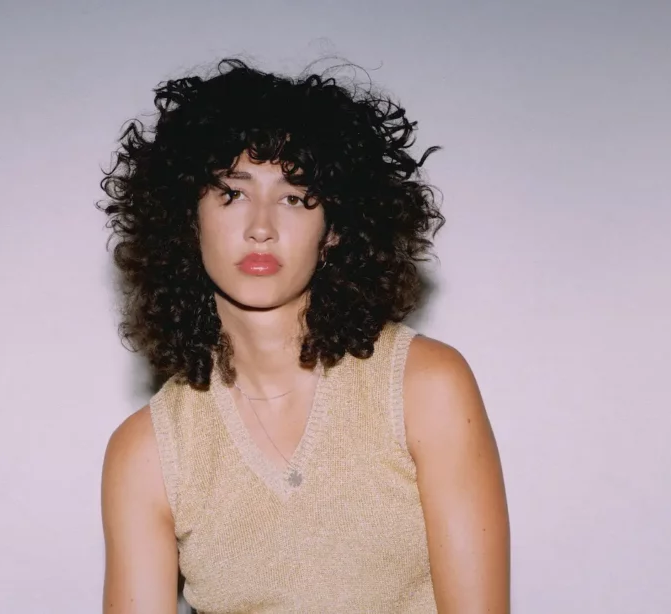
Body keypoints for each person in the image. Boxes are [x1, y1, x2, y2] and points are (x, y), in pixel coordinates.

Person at [98, 58, 509, 613]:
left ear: (335, 228)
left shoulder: (424, 388)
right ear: (187, 219)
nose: (261, 226)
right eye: (233, 193)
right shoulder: (149, 452)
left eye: (294, 197)